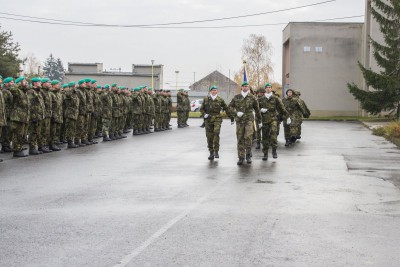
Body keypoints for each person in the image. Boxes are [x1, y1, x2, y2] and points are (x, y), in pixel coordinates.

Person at [229, 81, 261, 165]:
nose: (245, 87)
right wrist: (236, 113)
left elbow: (257, 110)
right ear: (241, 88)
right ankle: (241, 157)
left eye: (247, 86)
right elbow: (230, 107)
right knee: (240, 138)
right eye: (244, 86)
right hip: (240, 121)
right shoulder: (237, 97)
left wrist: (260, 120)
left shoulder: (252, 97)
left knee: (248, 137)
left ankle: (248, 155)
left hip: (249, 120)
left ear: (248, 88)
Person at [200, 85, 233, 160]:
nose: (214, 91)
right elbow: (201, 109)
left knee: (216, 133)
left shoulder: (220, 99)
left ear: (217, 91)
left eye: (215, 90)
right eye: (212, 90)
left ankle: (216, 151)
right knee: (209, 137)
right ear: (210, 91)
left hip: (217, 119)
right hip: (208, 119)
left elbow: (226, 108)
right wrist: (204, 114)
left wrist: (231, 117)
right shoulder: (206, 99)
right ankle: (211, 152)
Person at [258, 83, 289, 160]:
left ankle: (274, 151)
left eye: (269, 87)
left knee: (273, 135)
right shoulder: (260, 99)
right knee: (265, 137)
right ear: (265, 89)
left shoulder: (275, 98)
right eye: (267, 87)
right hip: (264, 120)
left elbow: (282, 108)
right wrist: (260, 110)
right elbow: (255, 109)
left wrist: (287, 116)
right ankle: (265, 154)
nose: (268, 88)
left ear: (271, 89)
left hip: (273, 119)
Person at [10, 77, 30, 157]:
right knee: (17, 134)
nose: (26, 82)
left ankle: (19, 147)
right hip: (17, 117)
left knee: (22, 134)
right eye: (24, 81)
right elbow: (12, 89)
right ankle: (16, 150)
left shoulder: (23, 92)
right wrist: (18, 83)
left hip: (23, 117)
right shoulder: (17, 90)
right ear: (20, 82)